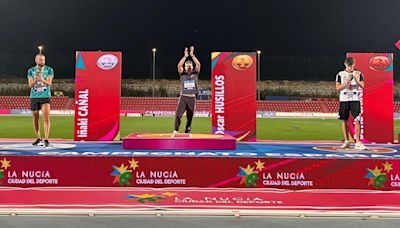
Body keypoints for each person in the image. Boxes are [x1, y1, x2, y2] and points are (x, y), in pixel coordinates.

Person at [335, 57, 368, 150]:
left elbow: (363, 86)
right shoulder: (340, 74)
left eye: (352, 66)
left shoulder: (358, 73)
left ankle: (357, 142)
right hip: (344, 99)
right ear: (345, 65)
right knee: (344, 120)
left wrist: (357, 80)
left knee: (357, 119)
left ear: (354, 64)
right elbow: (337, 87)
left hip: (355, 99)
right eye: (349, 66)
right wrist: (346, 83)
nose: (351, 68)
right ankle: (346, 141)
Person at [27, 53, 54, 147]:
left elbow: (49, 83)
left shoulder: (49, 69)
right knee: (35, 117)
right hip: (34, 96)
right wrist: (35, 80)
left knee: (46, 117)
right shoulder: (31, 70)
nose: (42, 61)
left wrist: (42, 80)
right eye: (40, 59)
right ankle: (38, 138)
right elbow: (30, 85)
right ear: (36, 60)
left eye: (43, 59)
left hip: (45, 95)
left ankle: (46, 139)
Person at [174, 46, 201, 133]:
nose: (188, 66)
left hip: (191, 98)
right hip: (183, 97)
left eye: (190, 65)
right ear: (185, 67)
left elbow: (199, 64)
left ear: (192, 67)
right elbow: (179, 65)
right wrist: (185, 56)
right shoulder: (182, 73)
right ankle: (176, 130)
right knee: (178, 114)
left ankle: (187, 129)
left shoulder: (195, 73)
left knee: (190, 116)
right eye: (187, 65)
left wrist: (192, 55)